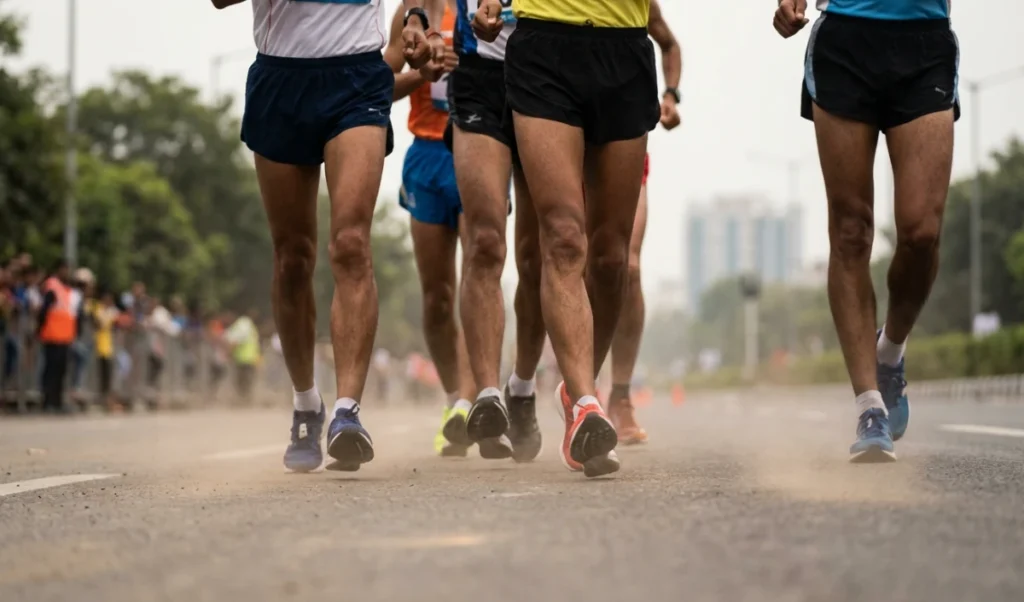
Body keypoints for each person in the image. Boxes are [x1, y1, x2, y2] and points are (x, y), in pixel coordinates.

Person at [210, 0, 444, 473]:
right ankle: (305, 404)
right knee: (293, 258)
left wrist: (418, 21)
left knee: (351, 244)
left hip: (357, 79)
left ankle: (347, 412)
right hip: (282, 78)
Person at [473, 0, 660, 477]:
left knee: (611, 257)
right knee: (563, 238)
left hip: (624, 46)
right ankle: (585, 403)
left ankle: (580, 390)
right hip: (543, 44)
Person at [774, 0, 958, 462]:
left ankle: (890, 351)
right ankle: (869, 407)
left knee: (921, 233)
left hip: (925, 39)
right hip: (845, 42)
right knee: (851, 231)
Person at [384, 0, 511, 459]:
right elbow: (378, 82)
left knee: (482, 260)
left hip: (483, 144)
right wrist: (424, 74)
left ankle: (474, 400)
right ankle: (452, 396)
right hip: (427, 155)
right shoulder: (412, 11)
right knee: (437, 297)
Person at [436, 0, 543, 464]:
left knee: (537, 259)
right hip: (478, 73)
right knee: (483, 243)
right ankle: (485, 395)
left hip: (546, 68)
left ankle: (520, 387)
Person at [603, 0, 682, 445]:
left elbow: (669, 44)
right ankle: (573, 391)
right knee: (566, 259)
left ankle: (619, 394)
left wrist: (670, 96)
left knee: (626, 267)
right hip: (559, 136)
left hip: (621, 140)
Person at [37, 260, 81, 413]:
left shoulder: (67, 290)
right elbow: (44, 310)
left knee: (61, 371)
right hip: (51, 335)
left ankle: (57, 401)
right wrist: (39, 329)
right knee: (51, 370)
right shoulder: (52, 286)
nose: (67, 273)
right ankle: (47, 400)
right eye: (65, 269)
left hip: (64, 337)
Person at [224, 308, 261, 404]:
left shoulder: (242, 324)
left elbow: (235, 340)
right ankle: (245, 400)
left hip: (244, 359)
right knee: (246, 381)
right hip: (248, 358)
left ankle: (243, 400)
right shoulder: (246, 324)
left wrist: (228, 353)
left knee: (243, 382)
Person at [93, 290, 121, 411]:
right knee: (99, 377)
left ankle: (108, 401)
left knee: (108, 377)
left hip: (108, 348)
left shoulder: (111, 311)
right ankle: (101, 401)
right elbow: (101, 323)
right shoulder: (98, 309)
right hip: (98, 347)